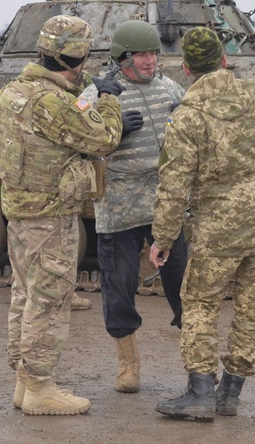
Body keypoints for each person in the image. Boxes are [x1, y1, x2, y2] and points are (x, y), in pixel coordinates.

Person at [149, 27, 255, 421]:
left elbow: (173, 187)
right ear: (225, 60)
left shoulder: (187, 117)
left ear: (186, 68)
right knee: (251, 306)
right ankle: (230, 391)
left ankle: (199, 391)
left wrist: (163, 238)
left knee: (200, 304)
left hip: (218, 231)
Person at [0, 14, 124, 416]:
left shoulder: (13, 91)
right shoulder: (53, 102)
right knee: (50, 300)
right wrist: (107, 98)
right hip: (51, 216)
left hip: (20, 213)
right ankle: (40, 388)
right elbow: (105, 137)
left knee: (25, 295)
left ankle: (24, 381)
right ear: (78, 56)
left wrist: (83, 97)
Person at [78, 20, 188, 394]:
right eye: (141, 55)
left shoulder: (170, 88)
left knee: (184, 286)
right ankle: (128, 364)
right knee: (119, 288)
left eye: (154, 53)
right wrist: (112, 129)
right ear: (122, 58)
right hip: (119, 209)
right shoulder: (99, 93)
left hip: (164, 208)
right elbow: (70, 131)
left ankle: (198, 365)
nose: (150, 61)